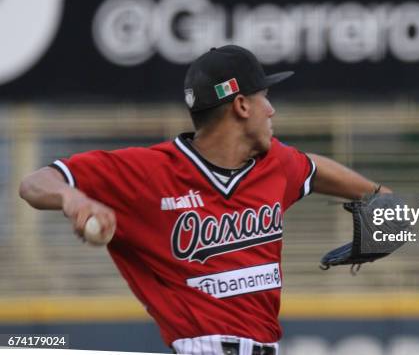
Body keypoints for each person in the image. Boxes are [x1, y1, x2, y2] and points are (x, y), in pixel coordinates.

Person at [19, 45, 390, 355]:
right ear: (241, 106)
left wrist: (381, 197)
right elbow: (35, 183)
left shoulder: (275, 164)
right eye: (265, 98)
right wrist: (73, 199)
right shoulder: (149, 171)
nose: (272, 110)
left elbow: (313, 168)